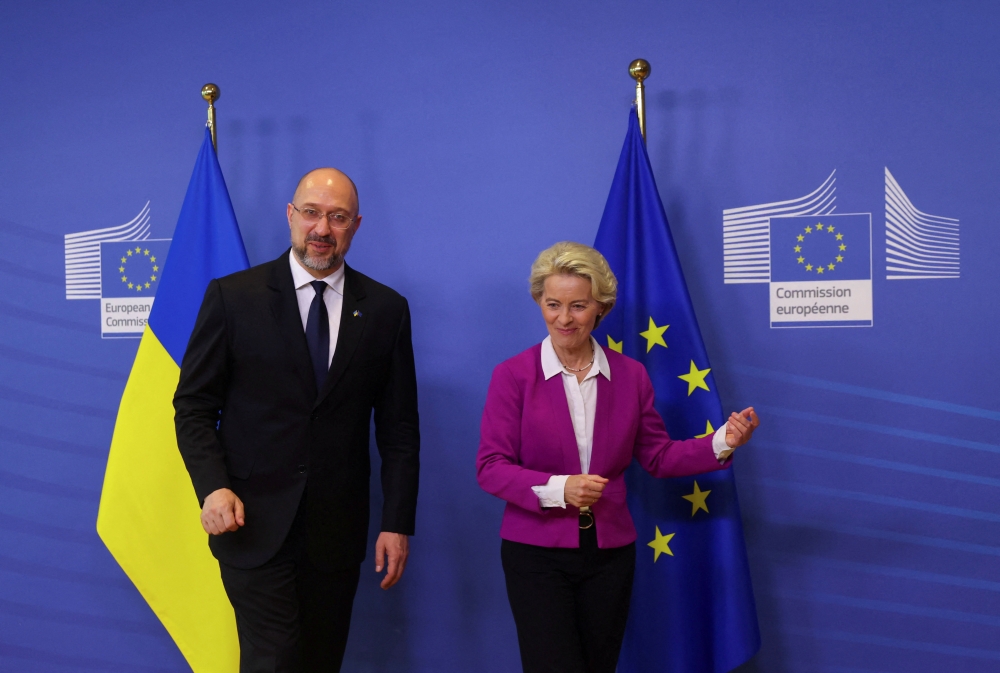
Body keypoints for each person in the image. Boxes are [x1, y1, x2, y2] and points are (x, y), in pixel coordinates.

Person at [174, 168, 420, 673]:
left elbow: (399, 431)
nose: (322, 229)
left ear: (355, 225)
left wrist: (397, 523)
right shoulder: (233, 297)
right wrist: (212, 488)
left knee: (319, 662)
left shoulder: (386, 310)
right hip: (251, 522)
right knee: (274, 660)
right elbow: (194, 406)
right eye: (311, 213)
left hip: (335, 532)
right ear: (290, 216)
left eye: (337, 217)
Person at [476, 241, 759, 673]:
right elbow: (491, 468)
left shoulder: (630, 376)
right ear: (539, 302)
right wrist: (560, 488)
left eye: (578, 306)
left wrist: (722, 442)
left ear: (601, 308)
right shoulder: (513, 375)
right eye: (553, 305)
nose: (564, 318)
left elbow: (659, 457)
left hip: (609, 554)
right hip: (535, 554)